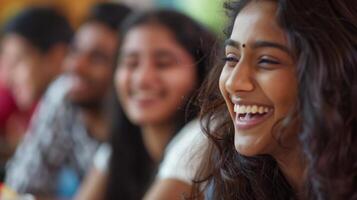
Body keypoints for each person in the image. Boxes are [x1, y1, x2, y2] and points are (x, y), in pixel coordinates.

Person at [190, 0, 357, 199]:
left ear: (333, 72)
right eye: (232, 59)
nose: (234, 82)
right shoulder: (230, 185)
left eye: (266, 60)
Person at [75, 9, 216, 200]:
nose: (142, 79)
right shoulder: (122, 141)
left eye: (163, 63)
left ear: (201, 73)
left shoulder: (205, 134)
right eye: (131, 63)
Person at [4, 3, 132, 199]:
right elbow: (24, 183)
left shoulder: (141, 117)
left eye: (97, 58)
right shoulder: (65, 94)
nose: (75, 66)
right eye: (75, 51)